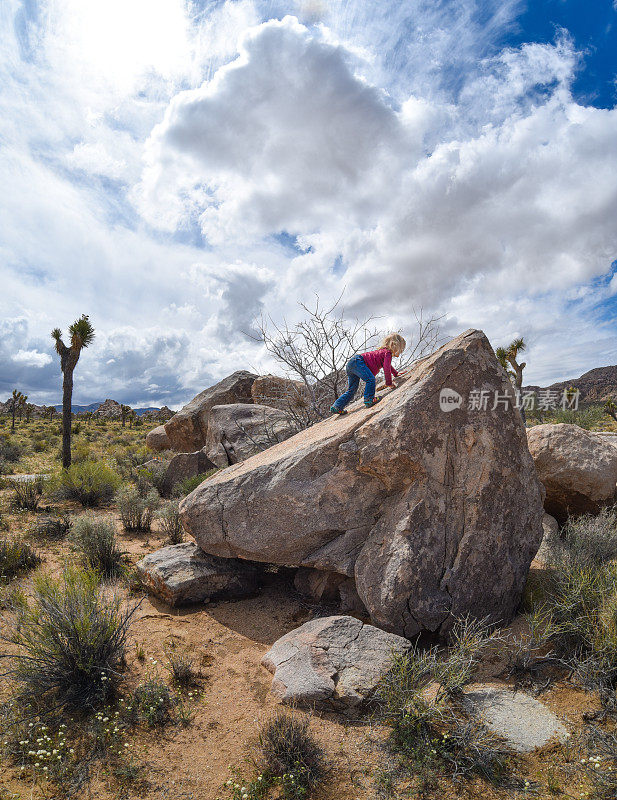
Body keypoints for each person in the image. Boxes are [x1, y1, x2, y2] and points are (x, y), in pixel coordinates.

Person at [330, 333, 406, 415]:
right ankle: (369, 399)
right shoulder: (387, 353)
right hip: (358, 361)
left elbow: (387, 366)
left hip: (352, 363)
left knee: (352, 390)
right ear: (396, 345)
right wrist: (389, 383)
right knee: (370, 379)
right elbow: (386, 368)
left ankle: (337, 406)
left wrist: (395, 373)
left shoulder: (382, 352)